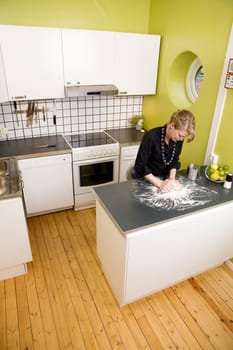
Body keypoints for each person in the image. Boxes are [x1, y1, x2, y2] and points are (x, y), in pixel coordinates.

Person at [134, 109, 195, 192]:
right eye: (180, 135)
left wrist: (171, 178)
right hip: (145, 179)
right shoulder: (151, 137)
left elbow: (175, 159)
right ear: (172, 125)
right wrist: (159, 183)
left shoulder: (178, 139)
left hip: (164, 179)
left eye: (184, 137)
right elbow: (140, 166)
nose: (181, 139)